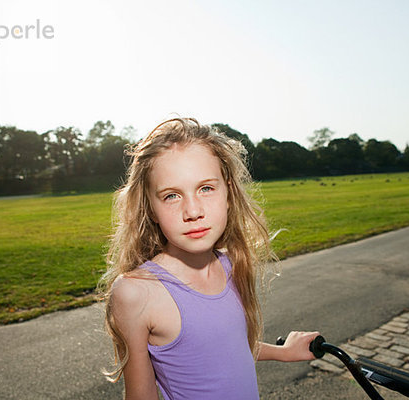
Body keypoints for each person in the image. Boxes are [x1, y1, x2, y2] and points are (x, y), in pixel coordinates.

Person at [99, 118, 319, 400]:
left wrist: (283, 352)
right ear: (150, 208)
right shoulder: (137, 292)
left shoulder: (231, 265)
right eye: (171, 195)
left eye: (206, 188)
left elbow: (224, 346)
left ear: (228, 192)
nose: (193, 211)